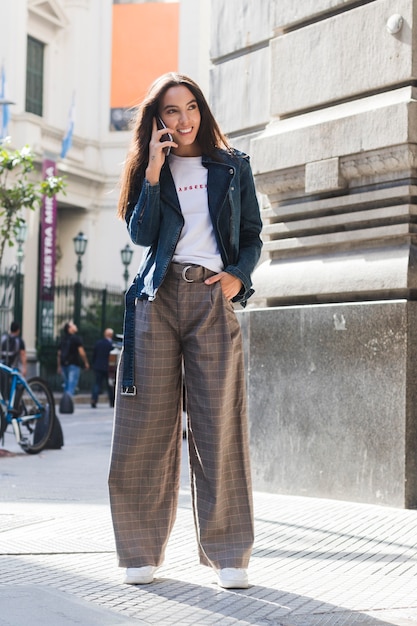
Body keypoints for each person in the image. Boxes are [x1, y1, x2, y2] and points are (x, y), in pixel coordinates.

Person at [108, 73, 263, 589]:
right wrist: (153, 171)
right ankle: (139, 549)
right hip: (157, 299)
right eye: (172, 111)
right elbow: (141, 234)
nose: (185, 119)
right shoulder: (150, 168)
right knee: (144, 428)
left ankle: (229, 554)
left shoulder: (232, 166)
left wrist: (236, 277)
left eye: (191, 107)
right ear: (157, 121)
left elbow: (250, 235)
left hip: (211, 297)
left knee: (218, 426)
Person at [57, 321, 89, 396]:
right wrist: (86, 362)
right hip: (74, 364)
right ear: (69, 328)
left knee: (66, 384)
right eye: (73, 325)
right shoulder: (76, 338)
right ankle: (68, 403)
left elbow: (59, 353)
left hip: (63, 364)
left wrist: (59, 366)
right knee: (71, 385)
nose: (75, 326)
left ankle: (65, 401)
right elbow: (81, 352)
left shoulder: (63, 339)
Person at [91, 328, 114, 408]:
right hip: (108, 367)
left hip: (98, 366)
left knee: (97, 384)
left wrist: (94, 364)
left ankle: (94, 399)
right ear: (111, 335)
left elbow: (94, 355)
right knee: (110, 385)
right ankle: (112, 401)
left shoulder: (98, 343)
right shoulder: (111, 345)